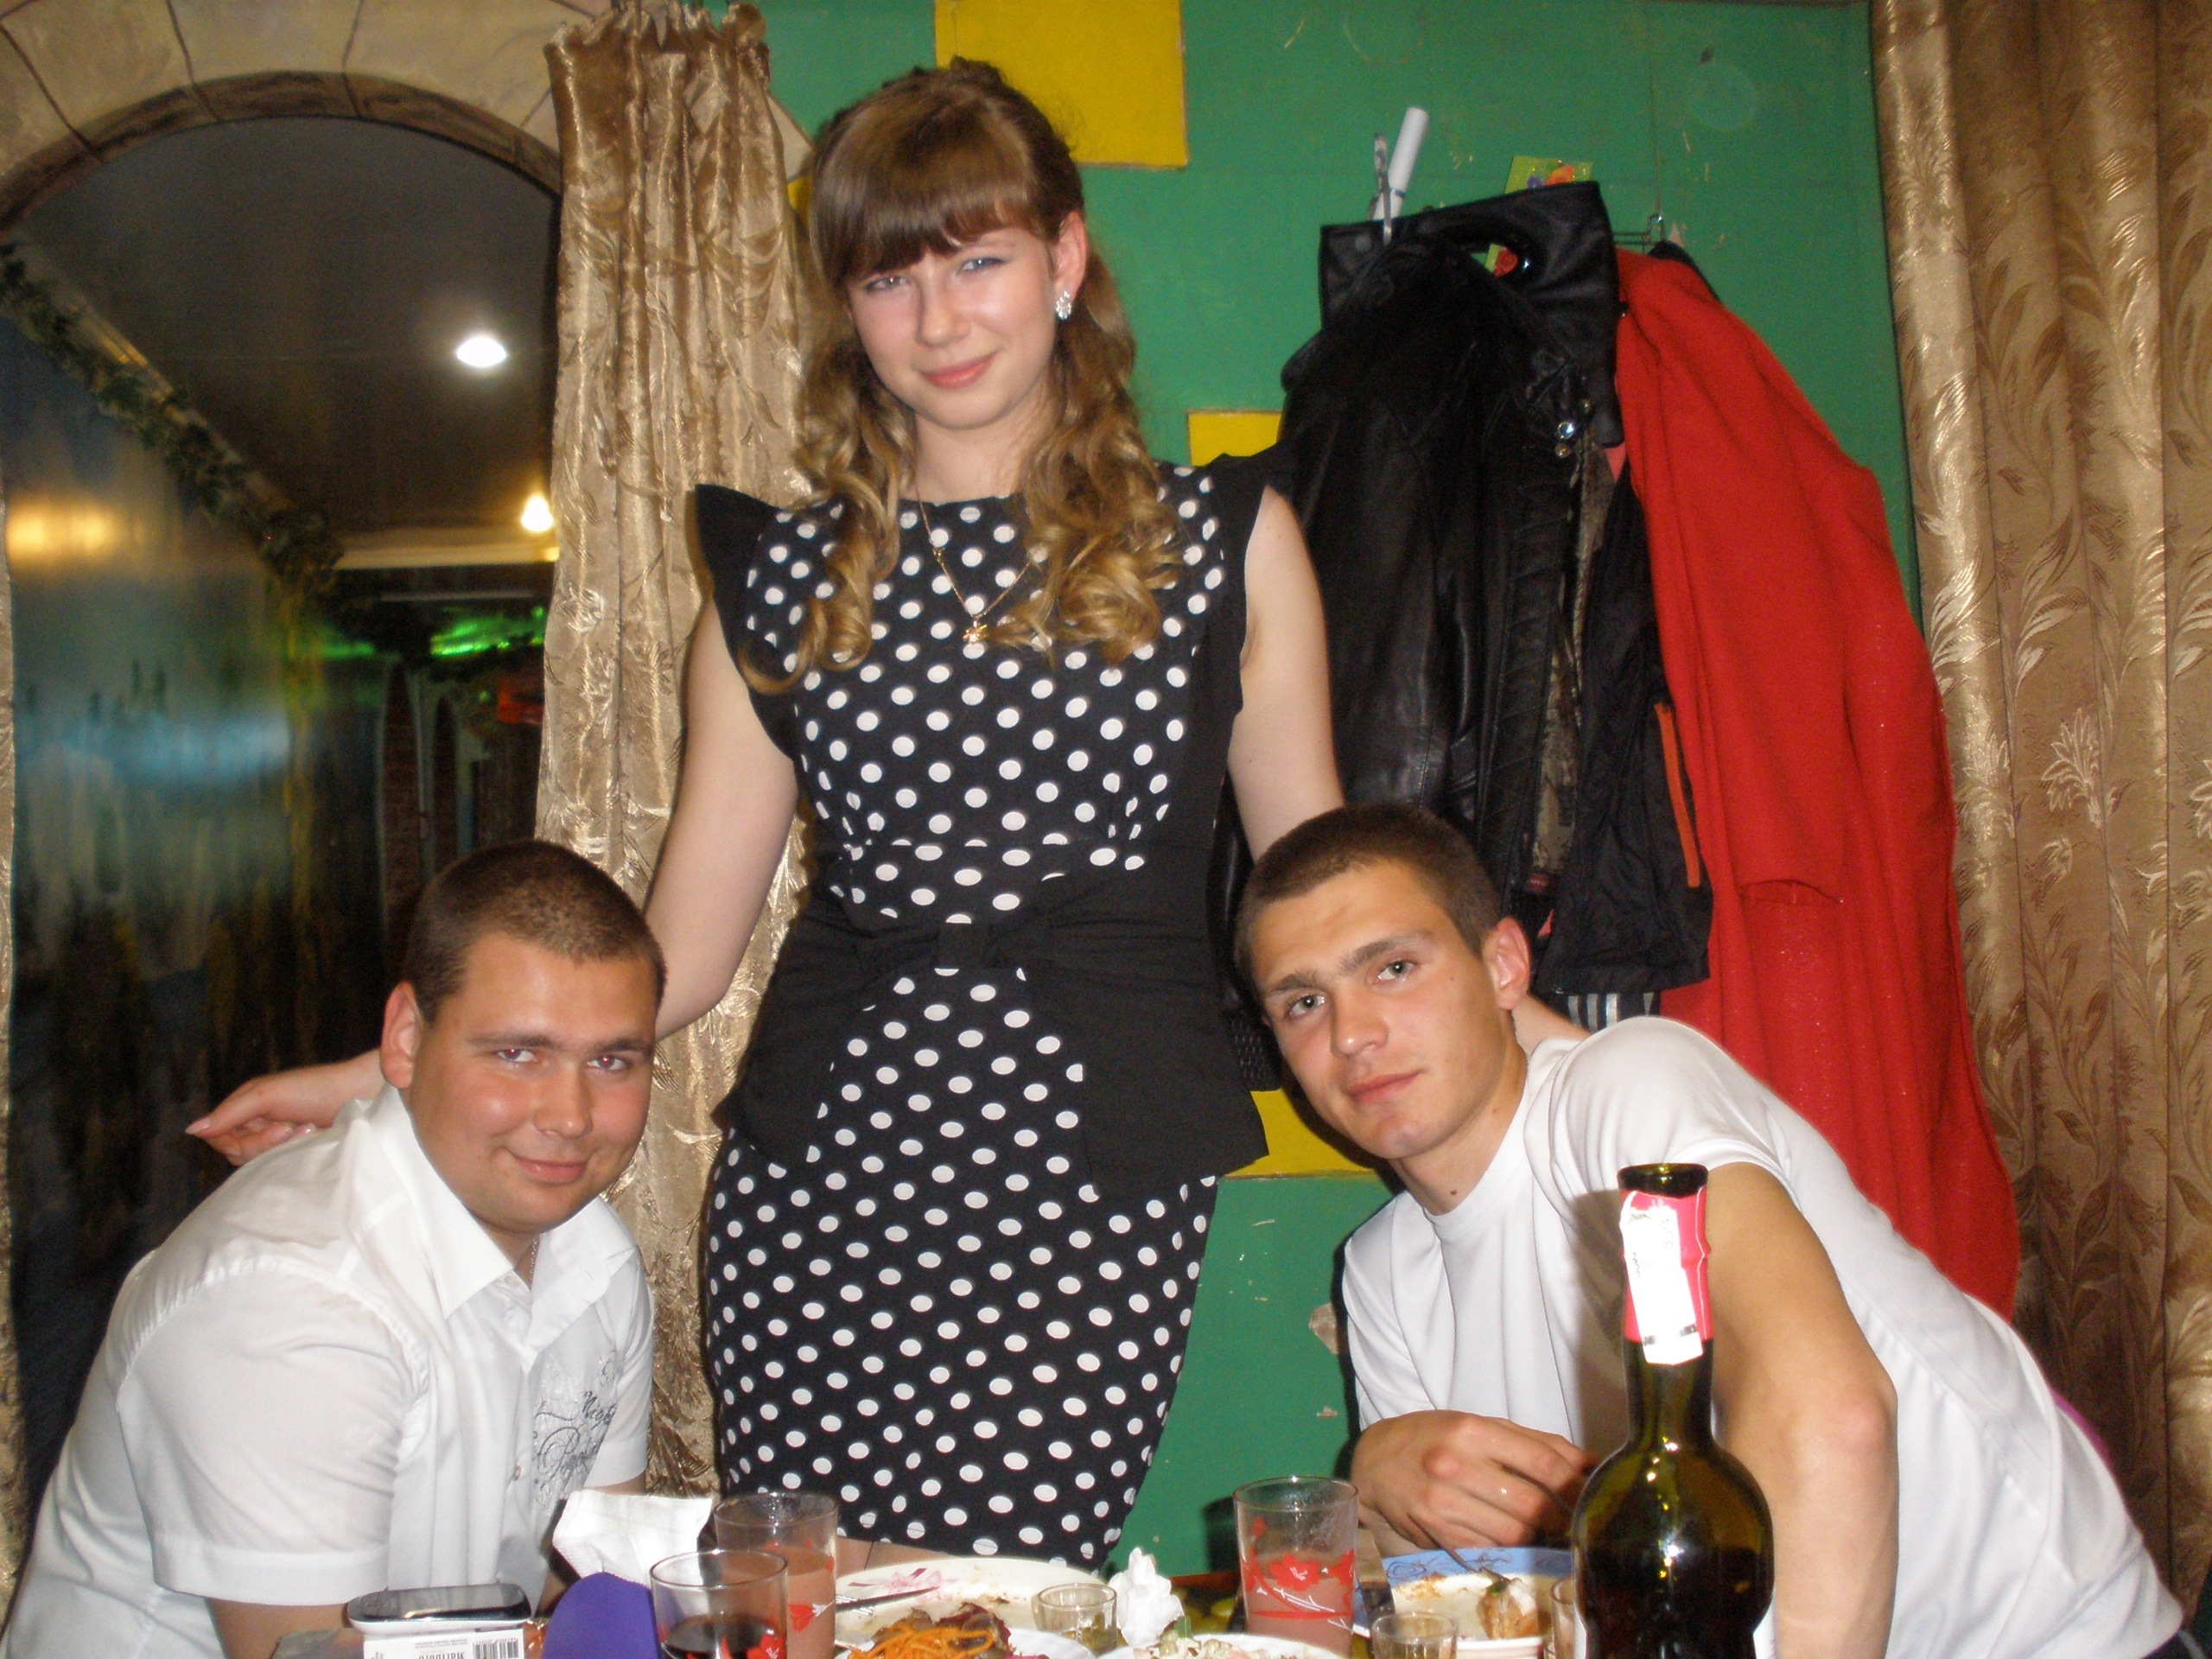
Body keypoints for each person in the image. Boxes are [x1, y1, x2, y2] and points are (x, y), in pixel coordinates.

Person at [190, 60, 1343, 1564]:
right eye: (888, 279)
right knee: (798, 1602)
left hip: (1094, 1166)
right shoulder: (781, 582)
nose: (939, 320)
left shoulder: (1225, 543)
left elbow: (1328, 894)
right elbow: (677, 954)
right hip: (823, 1174)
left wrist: (1515, 1049)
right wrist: (384, 1075)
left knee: (990, 1601)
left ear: (1066, 260)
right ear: (846, 308)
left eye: (980, 260)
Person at [1236, 802, 2183, 1659]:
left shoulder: (1625, 1095)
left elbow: (1832, 1416)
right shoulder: (1383, 1273)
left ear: (1503, 967)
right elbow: (1463, 1604)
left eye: (1394, 969)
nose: (1352, 1033)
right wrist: (1379, 1475)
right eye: (1303, 1002)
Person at [9, 843, 661, 1659]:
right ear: (406, 1040)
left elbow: (595, 1602)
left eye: (611, 1060)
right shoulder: (288, 1303)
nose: (570, 1116)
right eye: (517, 1053)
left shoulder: (597, 1259)